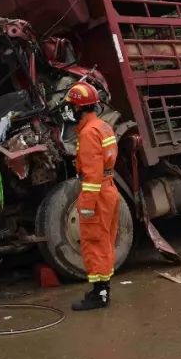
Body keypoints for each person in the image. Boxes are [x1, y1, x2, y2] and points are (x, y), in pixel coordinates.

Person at [63, 81, 120, 311]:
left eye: (71, 106)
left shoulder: (87, 133)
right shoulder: (102, 126)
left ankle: (100, 294)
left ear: (78, 108)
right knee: (105, 242)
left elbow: (92, 174)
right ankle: (102, 289)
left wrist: (85, 205)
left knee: (94, 243)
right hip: (109, 190)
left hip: (96, 195)